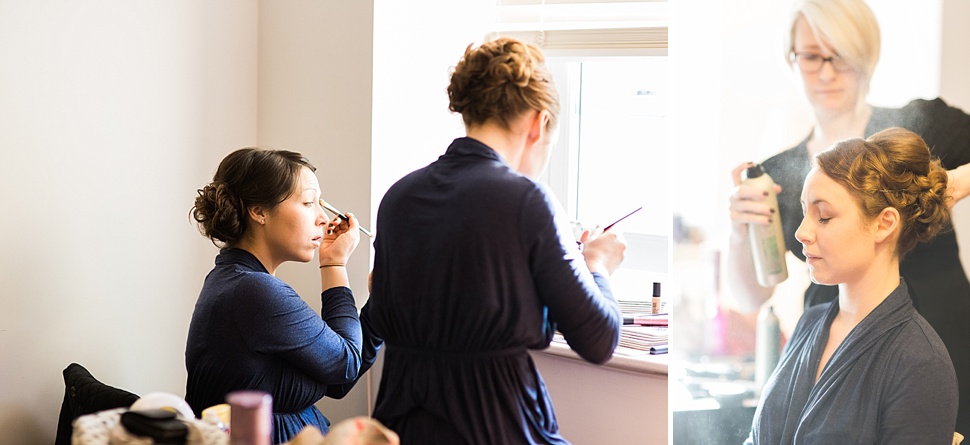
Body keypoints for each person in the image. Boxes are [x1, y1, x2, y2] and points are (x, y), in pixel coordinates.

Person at [357, 37, 626, 444]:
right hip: (495, 426)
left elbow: (385, 309)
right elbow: (599, 340)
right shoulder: (528, 200)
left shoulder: (399, 196)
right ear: (539, 123)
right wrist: (597, 265)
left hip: (403, 425)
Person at [727, 0, 970, 434]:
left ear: (866, 56)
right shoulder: (778, 175)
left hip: (940, 344)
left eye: (840, 56)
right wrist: (738, 231)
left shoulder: (920, 134)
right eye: (811, 56)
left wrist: (945, 184)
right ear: (792, 60)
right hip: (835, 349)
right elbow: (750, 297)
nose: (826, 73)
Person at [745, 127, 958, 444]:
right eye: (805, 212)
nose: (801, 232)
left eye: (823, 216)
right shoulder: (809, 323)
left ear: (883, 224)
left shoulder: (920, 363)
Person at [185, 148, 380, 444]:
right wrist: (334, 265)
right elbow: (346, 364)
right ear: (259, 211)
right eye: (308, 203)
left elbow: (337, 380)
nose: (323, 218)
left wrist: (380, 304)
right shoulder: (254, 291)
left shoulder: (238, 282)